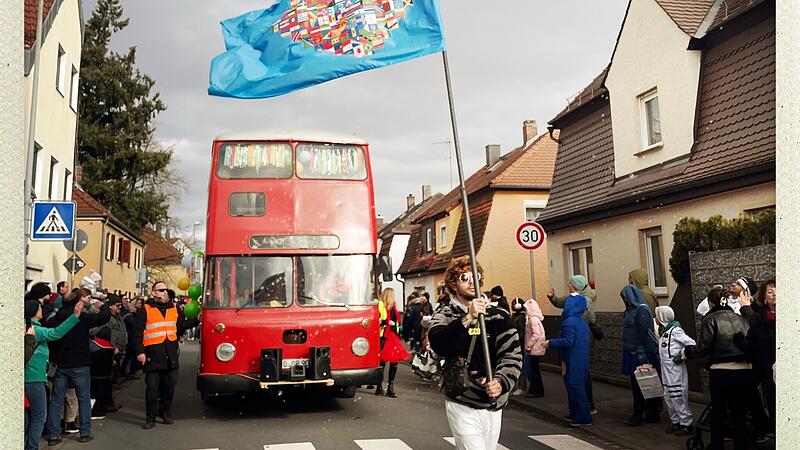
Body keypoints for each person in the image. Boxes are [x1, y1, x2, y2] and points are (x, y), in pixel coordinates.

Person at [429, 256, 522, 450]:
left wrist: (502, 382)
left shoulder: (499, 316)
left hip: (493, 402)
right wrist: (468, 318)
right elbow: (439, 344)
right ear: (453, 284)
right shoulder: (445, 314)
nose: (472, 282)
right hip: (462, 399)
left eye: (476, 276)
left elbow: (511, 354)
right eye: (464, 278)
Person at [685, 286, 752, 450]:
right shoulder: (741, 318)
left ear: (710, 303)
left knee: (718, 412)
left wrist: (688, 352)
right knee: (739, 413)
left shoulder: (710, 319)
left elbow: (703, 348)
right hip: (744, 371)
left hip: (721, 371)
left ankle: (717, 445)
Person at [45, 288, 111, 445]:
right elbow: (104, 317)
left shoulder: (54, 319)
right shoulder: (82, 317)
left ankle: (53, 435)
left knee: (56, 400)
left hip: (61, 364)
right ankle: (85, 432)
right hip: (80, 363)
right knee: (83, 398)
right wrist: (102, 304)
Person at [133, 281, 199, 429]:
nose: (165, 292)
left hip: (170, 355)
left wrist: (197, 320)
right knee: (152, 388)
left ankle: (165, 412)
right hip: (152, 355)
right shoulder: (145, 309)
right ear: (154, 293)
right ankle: (150, 417)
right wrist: (140, 352)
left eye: (166, 290)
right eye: (161, 290)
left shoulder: (174, 308)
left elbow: (181, 326)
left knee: (169, 387)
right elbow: (137, 333)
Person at [24, 297, 84, 450]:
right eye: (39, 308)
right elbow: (56, 333)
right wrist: (74, 316)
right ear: (34, 312)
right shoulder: (35, 330)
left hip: (30, 377)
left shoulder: (28, 328)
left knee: (28, 417)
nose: (41, 310)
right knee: (39, 416)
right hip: (34, 378)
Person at [547, 274, 597, 412]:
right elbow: (560, 302)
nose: (568, 285)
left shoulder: (584, 301)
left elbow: (587, 318)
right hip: (575, 337)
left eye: (570, 283)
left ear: (576, 286)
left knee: (581, 373)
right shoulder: (572, 298)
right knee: (576, 373)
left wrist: (572, 323)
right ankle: (579, 407)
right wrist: (552, 297)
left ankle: (587, 405)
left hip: (580, 339)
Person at [542, 292, 592, 427]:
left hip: (572, 359)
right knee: (578, 387)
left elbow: (568, 341)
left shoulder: (569, 322)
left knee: (575, 387)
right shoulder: (582, 322)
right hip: (581, 359)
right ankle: (576, 413)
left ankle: (583, 416)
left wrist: (550, 343)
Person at [620, 284, 661, 426]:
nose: (625, 301)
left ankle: (642, 414)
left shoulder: (642, 310)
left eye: (625, 298)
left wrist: (638, 349)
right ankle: (648, 413)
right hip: (634, 351)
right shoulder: (632, 310)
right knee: (640, 383)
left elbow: (643, 332)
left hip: (640, 354)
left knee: (643, 383)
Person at [654, 306, 695, 436]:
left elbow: (691, 343)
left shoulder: (675, 331)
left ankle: (686, 423)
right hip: (666, 369)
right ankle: (676, 421)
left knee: (677, 396)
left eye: (657, 315)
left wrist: (682, 354)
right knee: (668, 396)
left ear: (663, 317)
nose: (655, 318)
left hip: (674, 370)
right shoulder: (663, 331)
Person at [745, 280, 776, 432]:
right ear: (764, 297)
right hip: (768, 372)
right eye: (770, 291)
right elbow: (752, 343)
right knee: (774, 406)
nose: (775, 294)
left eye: (778, 290)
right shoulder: (760, 317)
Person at [376, 288, 408, 397]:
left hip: (393, 335)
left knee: (393, 361)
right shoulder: (381, 305)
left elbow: (397, 321)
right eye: (393, 295)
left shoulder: (393, 307)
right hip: (384, 335)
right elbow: (377, 320)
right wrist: (386, 322)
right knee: (382, 362)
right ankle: (380, 386)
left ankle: (389, 386)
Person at [89, 327, 115, 419]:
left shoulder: (93, 345)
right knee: (100, 394)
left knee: (92, 394)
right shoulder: (110, 347)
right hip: (105, 374)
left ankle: (91, 410)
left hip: (93, 374)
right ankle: (98, 410)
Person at [523, 298, 546, 398]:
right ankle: (536, 389)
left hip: (534, 349)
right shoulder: (535, 319)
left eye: (526, 309)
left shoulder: (533, 320)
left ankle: (536, 390)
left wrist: (528, 345)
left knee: (534, 370)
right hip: (537, 348)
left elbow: (536, 334)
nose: (525, 311)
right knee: (534, 370)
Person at [509, 298, 528, 395]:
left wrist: (513, 336)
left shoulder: (520, 318)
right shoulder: (516, 317)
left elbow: (522, 333)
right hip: (516, 344)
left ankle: (521, 386)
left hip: (519, 345)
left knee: (521, 367)